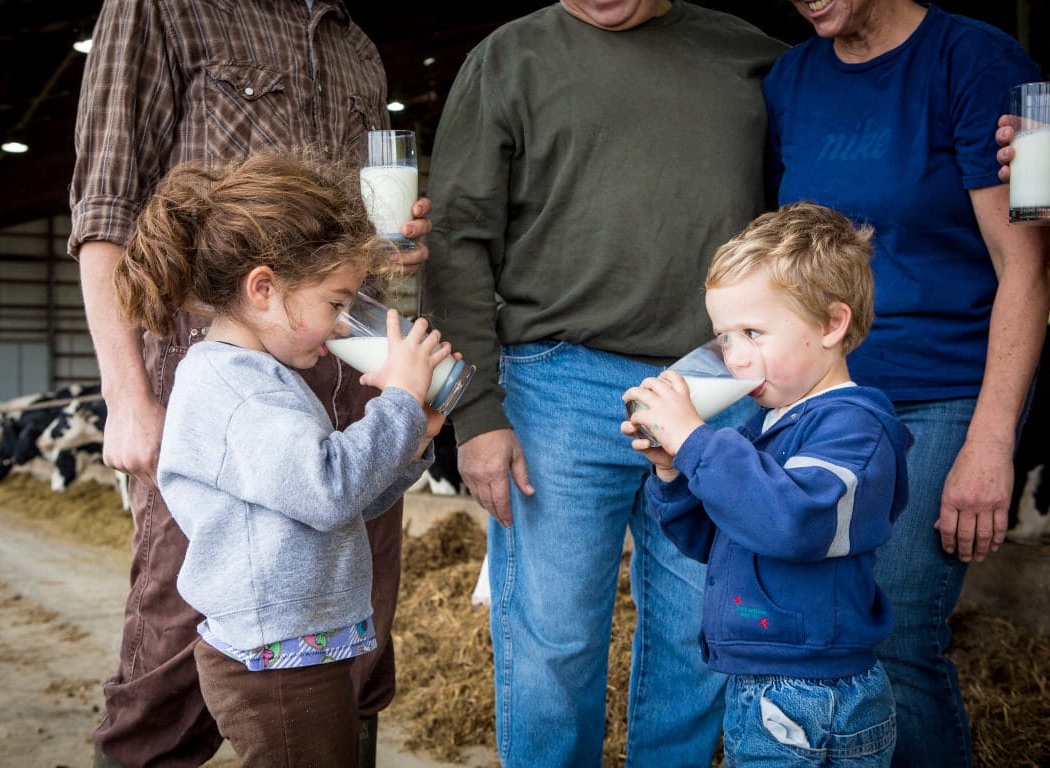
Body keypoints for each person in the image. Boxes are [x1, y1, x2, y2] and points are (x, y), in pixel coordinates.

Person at [420, 1, 787, 765]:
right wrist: (476, 412)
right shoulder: (508, 58)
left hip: (714, 386)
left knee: (698, 641)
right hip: (555, 382)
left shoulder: (754, 57)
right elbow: (457, 241)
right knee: (553, 643)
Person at [67, 2, 432, 765]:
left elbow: (351, 234)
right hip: (212, 384)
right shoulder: (159, 11)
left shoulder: (357, 44)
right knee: (175, 643)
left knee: (360, 634)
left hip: (342, 370)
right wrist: (127, 394)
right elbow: (105, 207)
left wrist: (380, 248)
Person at [763, 2, 1050, 766]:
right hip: (825, 399)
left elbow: (1028, 266)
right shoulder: (792, 78)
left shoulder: (981, 64)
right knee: (827, 627)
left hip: (943, 391)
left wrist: (990, 443)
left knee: (894, 634)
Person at [111, 152, 446, 767]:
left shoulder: (259, 376)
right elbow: (328, 488)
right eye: (335, 302)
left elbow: (343, 503)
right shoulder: (236, 388)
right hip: (277, 660)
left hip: (299, 645)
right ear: (263, 289)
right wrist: (396, 401)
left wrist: (411, 442)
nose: (342, 325)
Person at [624, 201, 912, 767]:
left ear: (833, 324)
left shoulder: (854, 427)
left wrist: (698, 441)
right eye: (723, 337)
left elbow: (794, 522)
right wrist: (672, 469)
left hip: (806, 693)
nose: (734, 358)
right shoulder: (770, 425)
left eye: (753, 332)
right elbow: (720, 537)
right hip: (772, 684)